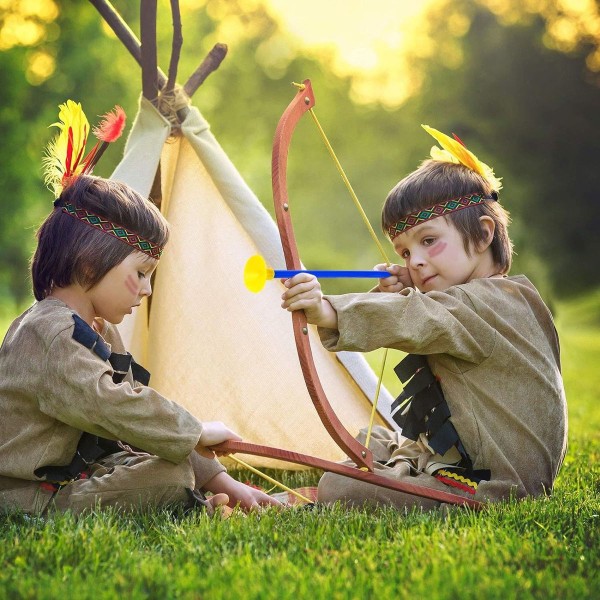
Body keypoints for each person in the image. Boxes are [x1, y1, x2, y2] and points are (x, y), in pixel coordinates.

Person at [280, 125, 567, 510]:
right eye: (404, 252)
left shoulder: (492, 304)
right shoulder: (500, 298)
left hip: (494, 487)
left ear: (483, 236)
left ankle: (302, 499)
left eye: (428, 241)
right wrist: (400, 293)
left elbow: (421, 318)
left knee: (342, 485)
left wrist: (328, 310)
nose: (414, 260)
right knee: (376, 440)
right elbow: (429, 316)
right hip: (478, 466)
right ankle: (389, 471)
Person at [0, 174, 280, 516]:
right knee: (169, 477)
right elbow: (111, 405)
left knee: (170, 466)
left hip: (83, 472)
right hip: (30, 494)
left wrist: (223, 481)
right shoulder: (50, 332)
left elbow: (133, 411)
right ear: (90, 265)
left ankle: (197, 500)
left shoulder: (97, 329)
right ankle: (189, 504)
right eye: (141, 273)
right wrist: (195, 430)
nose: (147, 290)